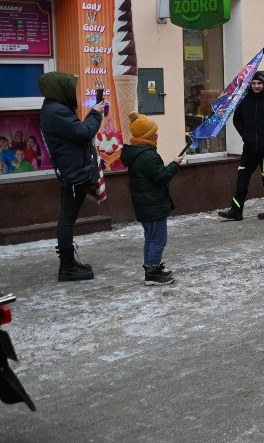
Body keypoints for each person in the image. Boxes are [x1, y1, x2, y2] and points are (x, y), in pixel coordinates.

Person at [39, 71, 105, 281]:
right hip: (74, 173)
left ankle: (69, 264)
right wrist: (95, 113)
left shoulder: (56, 109)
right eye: (70, 87)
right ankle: (67, 267)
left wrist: (97, 103)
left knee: (68, 218)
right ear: (59, 88)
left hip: (74, 170)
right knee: (67, 219)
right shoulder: (55, 111)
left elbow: (77, 131)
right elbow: (83, 132)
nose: (73, 91)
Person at [120, 112, 184, 286]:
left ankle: (151, 268)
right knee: (158, 239)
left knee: (151, 238)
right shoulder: (148, 155)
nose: (157, 135)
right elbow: (161, 177)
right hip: (152, 205)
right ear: (147, 136)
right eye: (153, 133)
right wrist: (175, 164)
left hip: (146, 205)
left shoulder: (137, 153)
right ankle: (153, 273)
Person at [218, 72, 264, 221]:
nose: (256, 86)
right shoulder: (244, 101)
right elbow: (237, 120)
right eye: (254, 83)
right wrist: (245, 135)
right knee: (242, 178)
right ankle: (236, 211)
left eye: (259, 83)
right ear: (250, 85)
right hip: (249, 149)